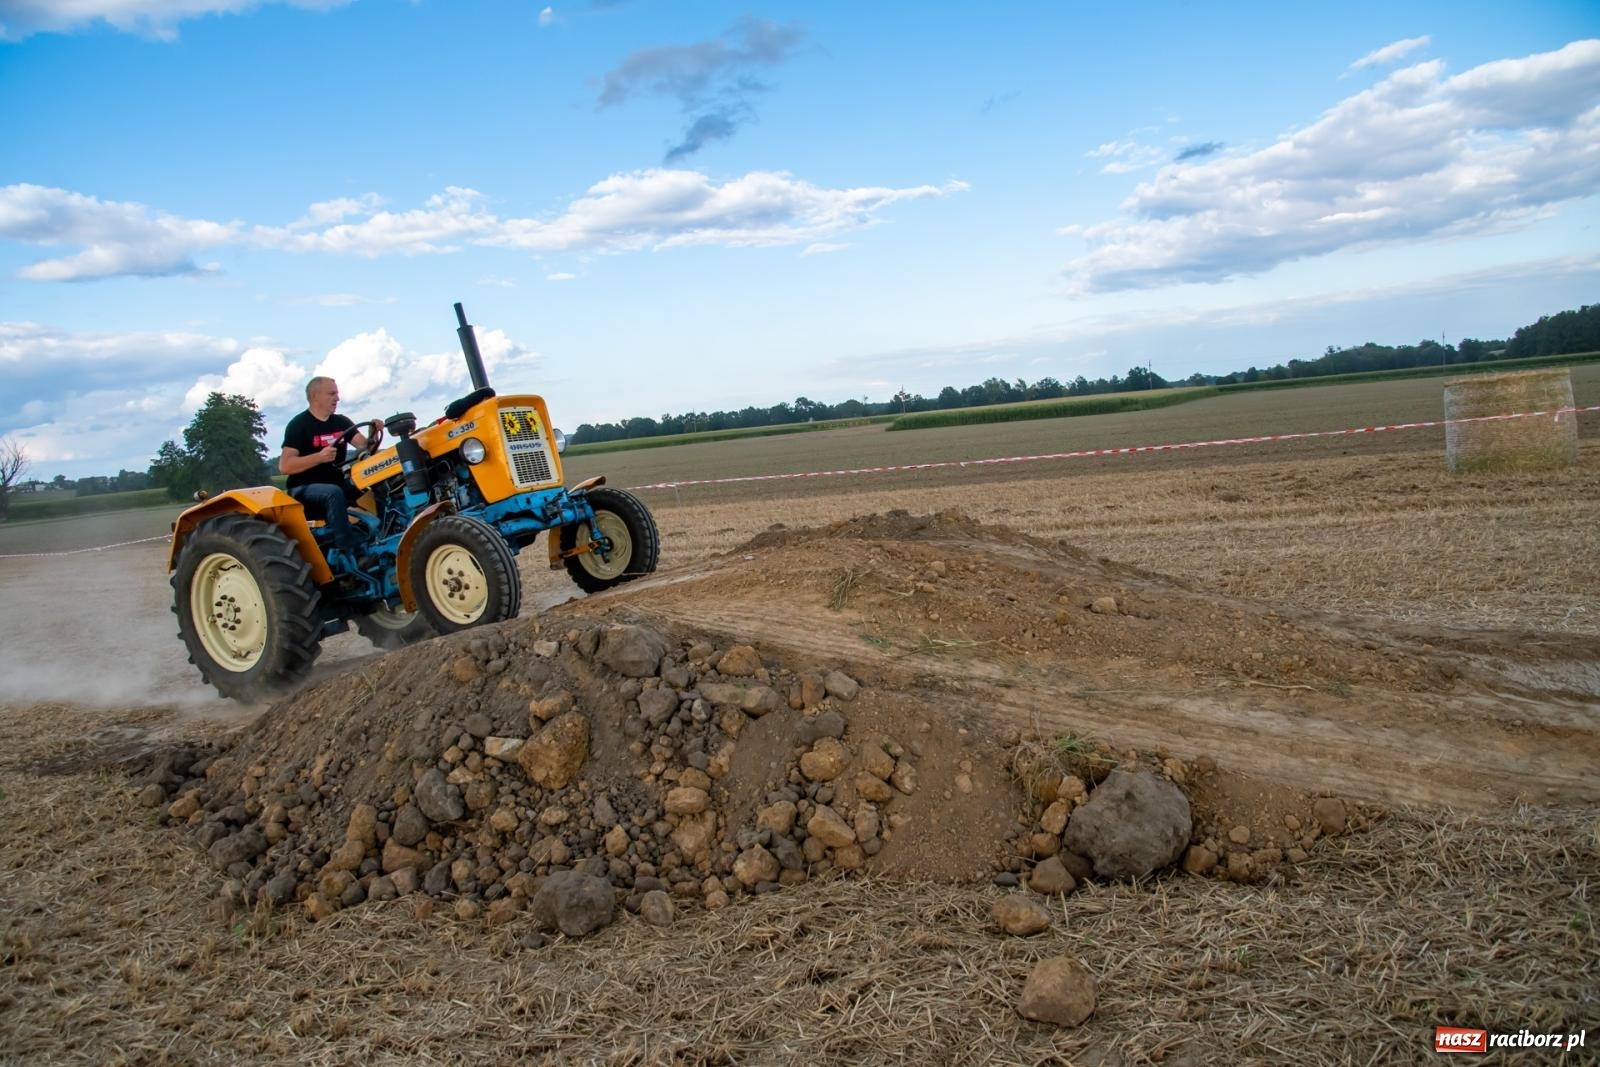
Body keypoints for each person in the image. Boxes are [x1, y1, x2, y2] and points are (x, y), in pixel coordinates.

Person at [279, 376, 378, 562]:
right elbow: (285, 466)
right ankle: (348, 551)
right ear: (315, 396)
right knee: (332, 493)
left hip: (336, 483)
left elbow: (364, 446)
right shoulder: (299, 425)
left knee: (374, 479)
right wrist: (319, 457)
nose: (337, 398)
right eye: (332, 394)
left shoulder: (341, 422)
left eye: (337, 393)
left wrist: (374, 433)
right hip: (304, 489)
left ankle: (384, 534)